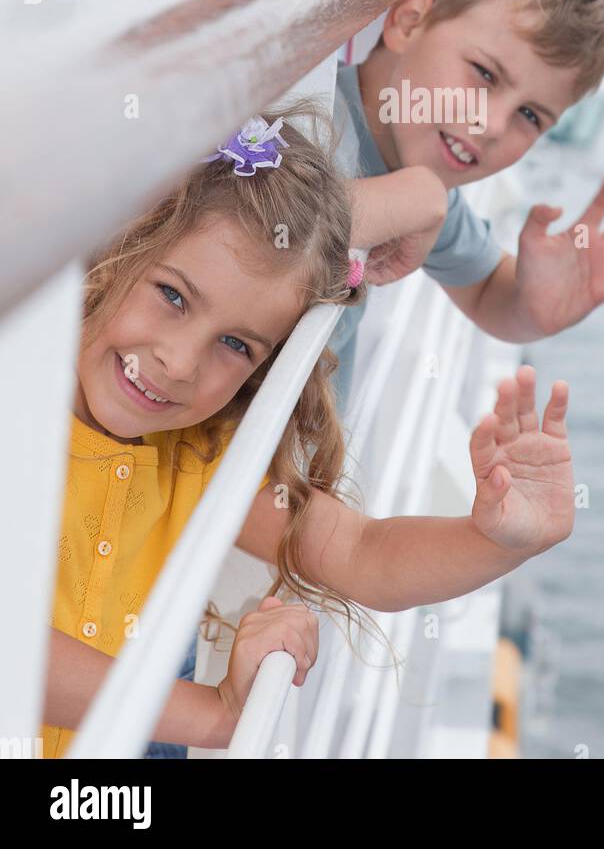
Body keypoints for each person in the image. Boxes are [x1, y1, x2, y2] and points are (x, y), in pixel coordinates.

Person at [41, 104, 575, 759]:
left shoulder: (194, 455)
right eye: (173, 296)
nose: (179, 364)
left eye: (235, 344)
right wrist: (210, 717)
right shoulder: (20, 413)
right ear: (121, 241)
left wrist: (495, 541)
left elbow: (362, 553)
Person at [331, 0, 604, 402]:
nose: (490, 127)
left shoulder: (421, 171)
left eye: (531, 116)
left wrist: (532, 304)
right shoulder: (306, 118)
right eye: (485, 74)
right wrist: (414, 199)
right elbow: (265, 229)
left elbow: (488, 291)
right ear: (409, 19)